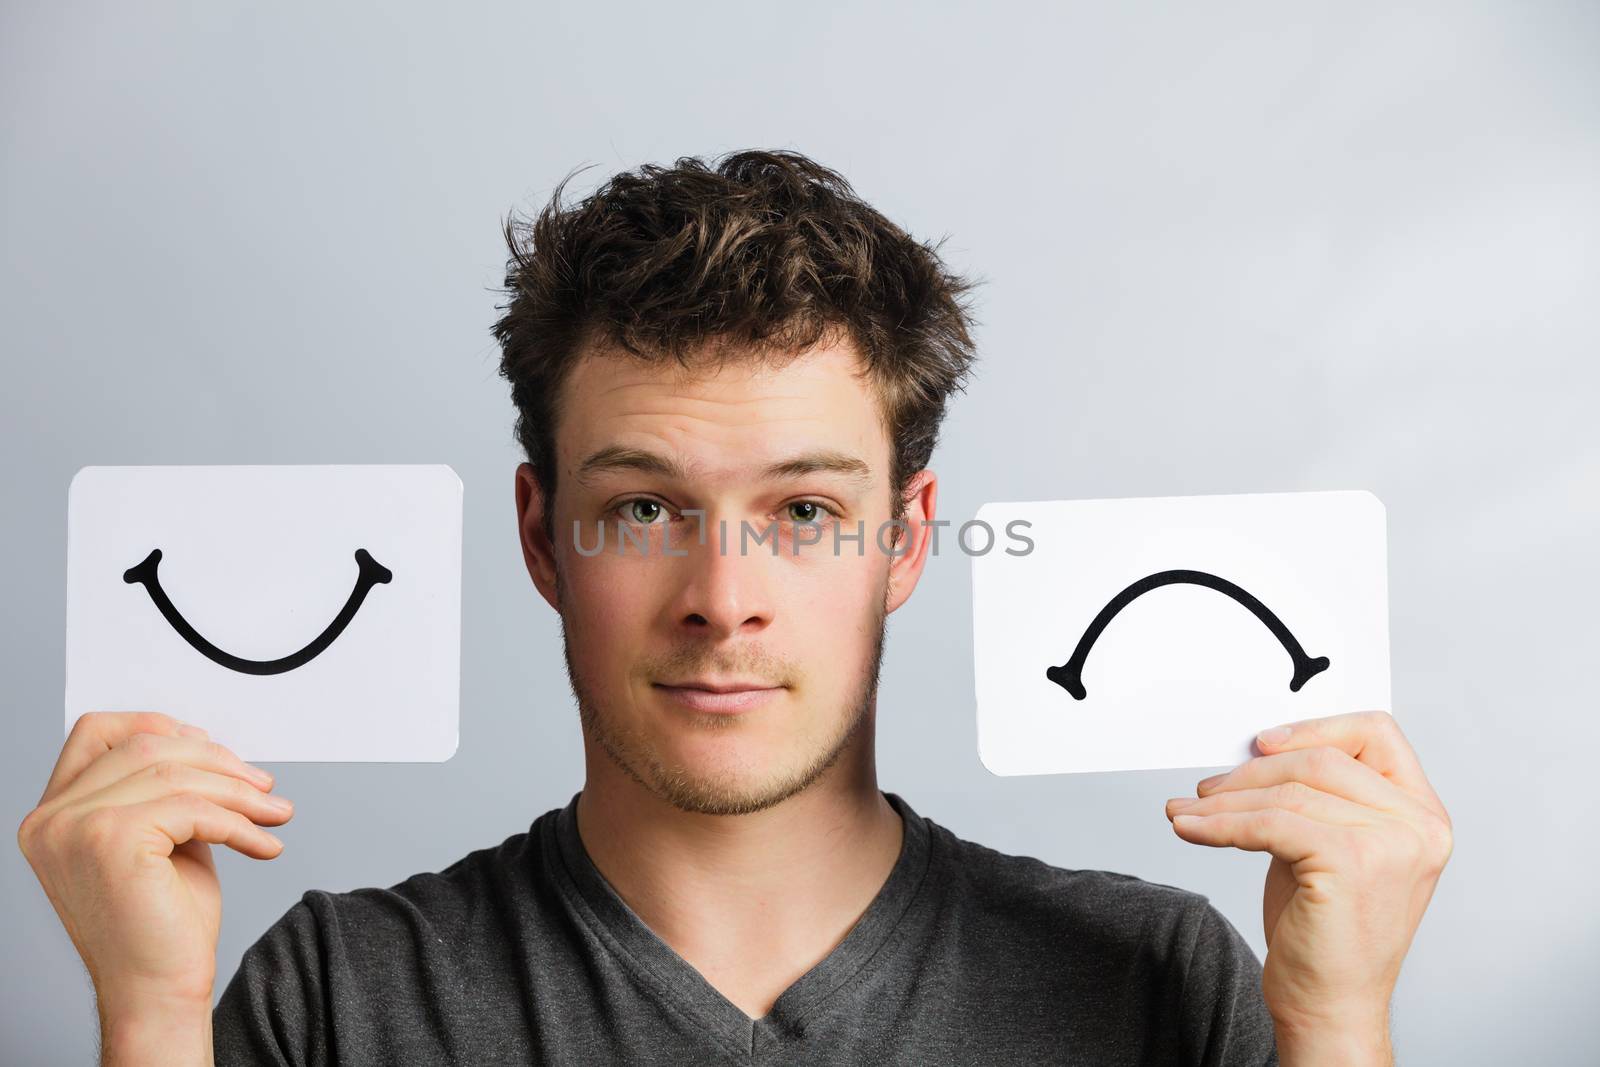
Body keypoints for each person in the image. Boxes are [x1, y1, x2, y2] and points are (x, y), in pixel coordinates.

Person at [18, 149, 1452, 1066]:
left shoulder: (1157, 982)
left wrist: (1336, 1023)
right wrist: (147, 1014)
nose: (723, 602)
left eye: (806, 515)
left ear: (904, 544)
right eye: (644, 507)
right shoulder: (341, 994)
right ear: (544, 537)